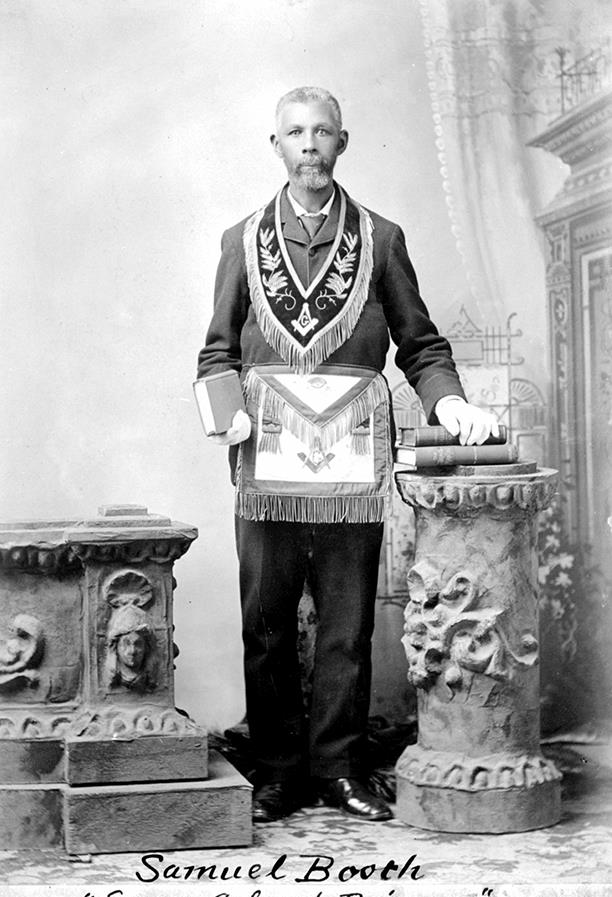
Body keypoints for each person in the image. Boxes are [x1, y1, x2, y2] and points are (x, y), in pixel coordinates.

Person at [197, 86, 498, 823]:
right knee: (265, 623)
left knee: (345, 623)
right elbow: (215, 355)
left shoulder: (382, 238)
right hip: (266, 464)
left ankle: (338, 769)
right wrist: (229, 419)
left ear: (342, 142)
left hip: (351, 466)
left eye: (322, 132)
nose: (309, 144)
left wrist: (448, 401)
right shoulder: (242, 238)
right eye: (294, 132)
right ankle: (275, 771)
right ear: (276, 146)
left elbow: (421, 345)